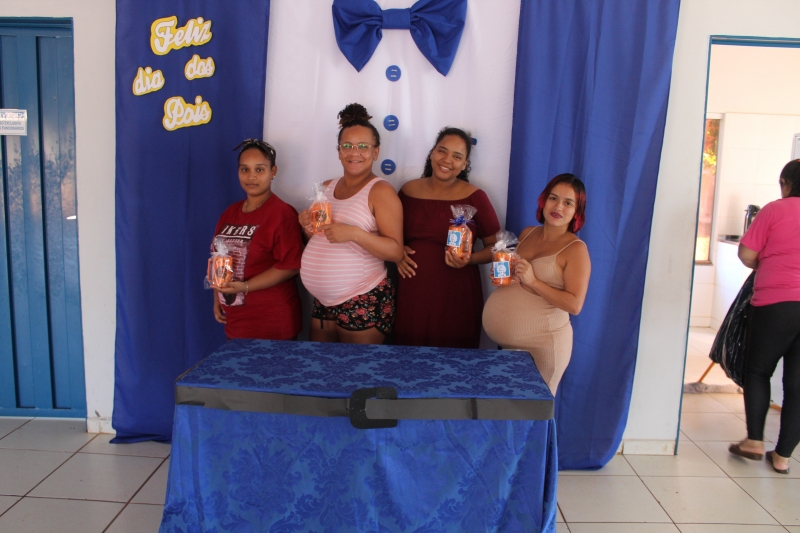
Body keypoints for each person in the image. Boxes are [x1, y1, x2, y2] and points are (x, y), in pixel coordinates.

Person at [299, 103, 404, 344]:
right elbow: (316, 239)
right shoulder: (326, 187)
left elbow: (396, 251)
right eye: (347, 146)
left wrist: (355, 234)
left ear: (376, 152)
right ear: (338, 151)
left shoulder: (381, 191)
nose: (354, 152)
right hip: (323, 302)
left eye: (363, 146)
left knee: (356, 367)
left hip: (363, 296)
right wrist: (306, 226)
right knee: (319, 364)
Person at [482, 174, 591, 394]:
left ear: (576, 212)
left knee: (532, 412)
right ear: (544, 201)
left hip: (543, 349)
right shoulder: (528, 233)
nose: (558, 207)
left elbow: (574, 305)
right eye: (553, 198)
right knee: (506, 410)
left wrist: (534, 281)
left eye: (568, 203)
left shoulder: (576, 250)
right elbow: (519, 279)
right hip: (509, 347)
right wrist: (505, 275)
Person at [393, 127, 501, 348]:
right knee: (408, 357)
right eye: (442, 151)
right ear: (432, 153)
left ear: (464, 164)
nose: (447, 160)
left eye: (457, 156)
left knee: (454, 358)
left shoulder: (476, 197)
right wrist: (396, 252)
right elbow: (388, 233)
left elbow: (496, 247)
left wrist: (469, 259)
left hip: (456, 295)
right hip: (412, 293)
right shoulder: (407, 190)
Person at [728, 159, 800, 474]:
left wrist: (766, 263)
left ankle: (754, 441)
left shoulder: (774, 210)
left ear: (786, 183)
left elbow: (747, 254)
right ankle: (783, 457)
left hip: (776, 303)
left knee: (758, 371)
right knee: (798, 384)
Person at [212, 139, 304, 340]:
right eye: (245, 169)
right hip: (236, 322)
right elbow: (218, 258)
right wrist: (218, 296)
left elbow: (290, 266)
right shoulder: (229, 213)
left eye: (259, 170)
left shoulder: (282, 214)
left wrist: (246, 287)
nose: (251, 176)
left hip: (272, 322)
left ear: (273, 172)